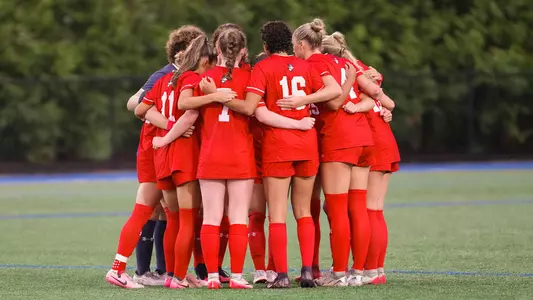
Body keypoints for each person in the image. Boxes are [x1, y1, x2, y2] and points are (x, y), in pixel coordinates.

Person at [221, 20, 341, 288]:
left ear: (265, 46)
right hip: (307, 145)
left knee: (277, 215)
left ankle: (283, 275)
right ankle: (308, 271)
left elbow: (252, 108)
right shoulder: (307, 66)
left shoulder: (263, 67)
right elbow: (333, 91)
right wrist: (303, 101)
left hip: (278, 147)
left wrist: (218, 97)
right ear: (290, 43)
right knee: (304, 213)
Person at [105, 25, 204, 289]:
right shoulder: (167, 76)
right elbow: (136, 106)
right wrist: (173, 126)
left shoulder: (183, 76)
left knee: (171, 216)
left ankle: (174, 274)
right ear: (182, 52)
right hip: (156, 149)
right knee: (146, 210)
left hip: (165, 149)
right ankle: (120, 269)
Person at [139, 34, 234, 289]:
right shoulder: (192, 78)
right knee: (188, 222)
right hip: (184, 155)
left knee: (173, 220)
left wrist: (162, 138)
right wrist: (216, 96)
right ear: (205, 59)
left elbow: (140, 109)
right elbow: (188, 109)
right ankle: (178, 277)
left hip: (165, 156)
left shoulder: (170, 78)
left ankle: (171, 274)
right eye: (212, 62)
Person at [289, 18, 375, 287]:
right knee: (356, 208)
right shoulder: (339, 60)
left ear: (302, 44)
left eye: (294, 46)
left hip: (339, 138)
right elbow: (372, 91)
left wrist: (301, 100)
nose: (293, 51)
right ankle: (358, 272)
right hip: (362, 136)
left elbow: (335, 100)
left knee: (337, 209)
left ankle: (339, 273)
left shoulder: (313, 63)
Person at [322, 32, 398, 285]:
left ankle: (361, 270)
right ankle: (373, 270)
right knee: (372, 210)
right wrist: (383, 109)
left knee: (362, 210)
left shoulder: (341, 70)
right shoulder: (361, 68)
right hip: (380, 138)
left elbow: (376, 97)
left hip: (367, 140)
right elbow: (386, 100)